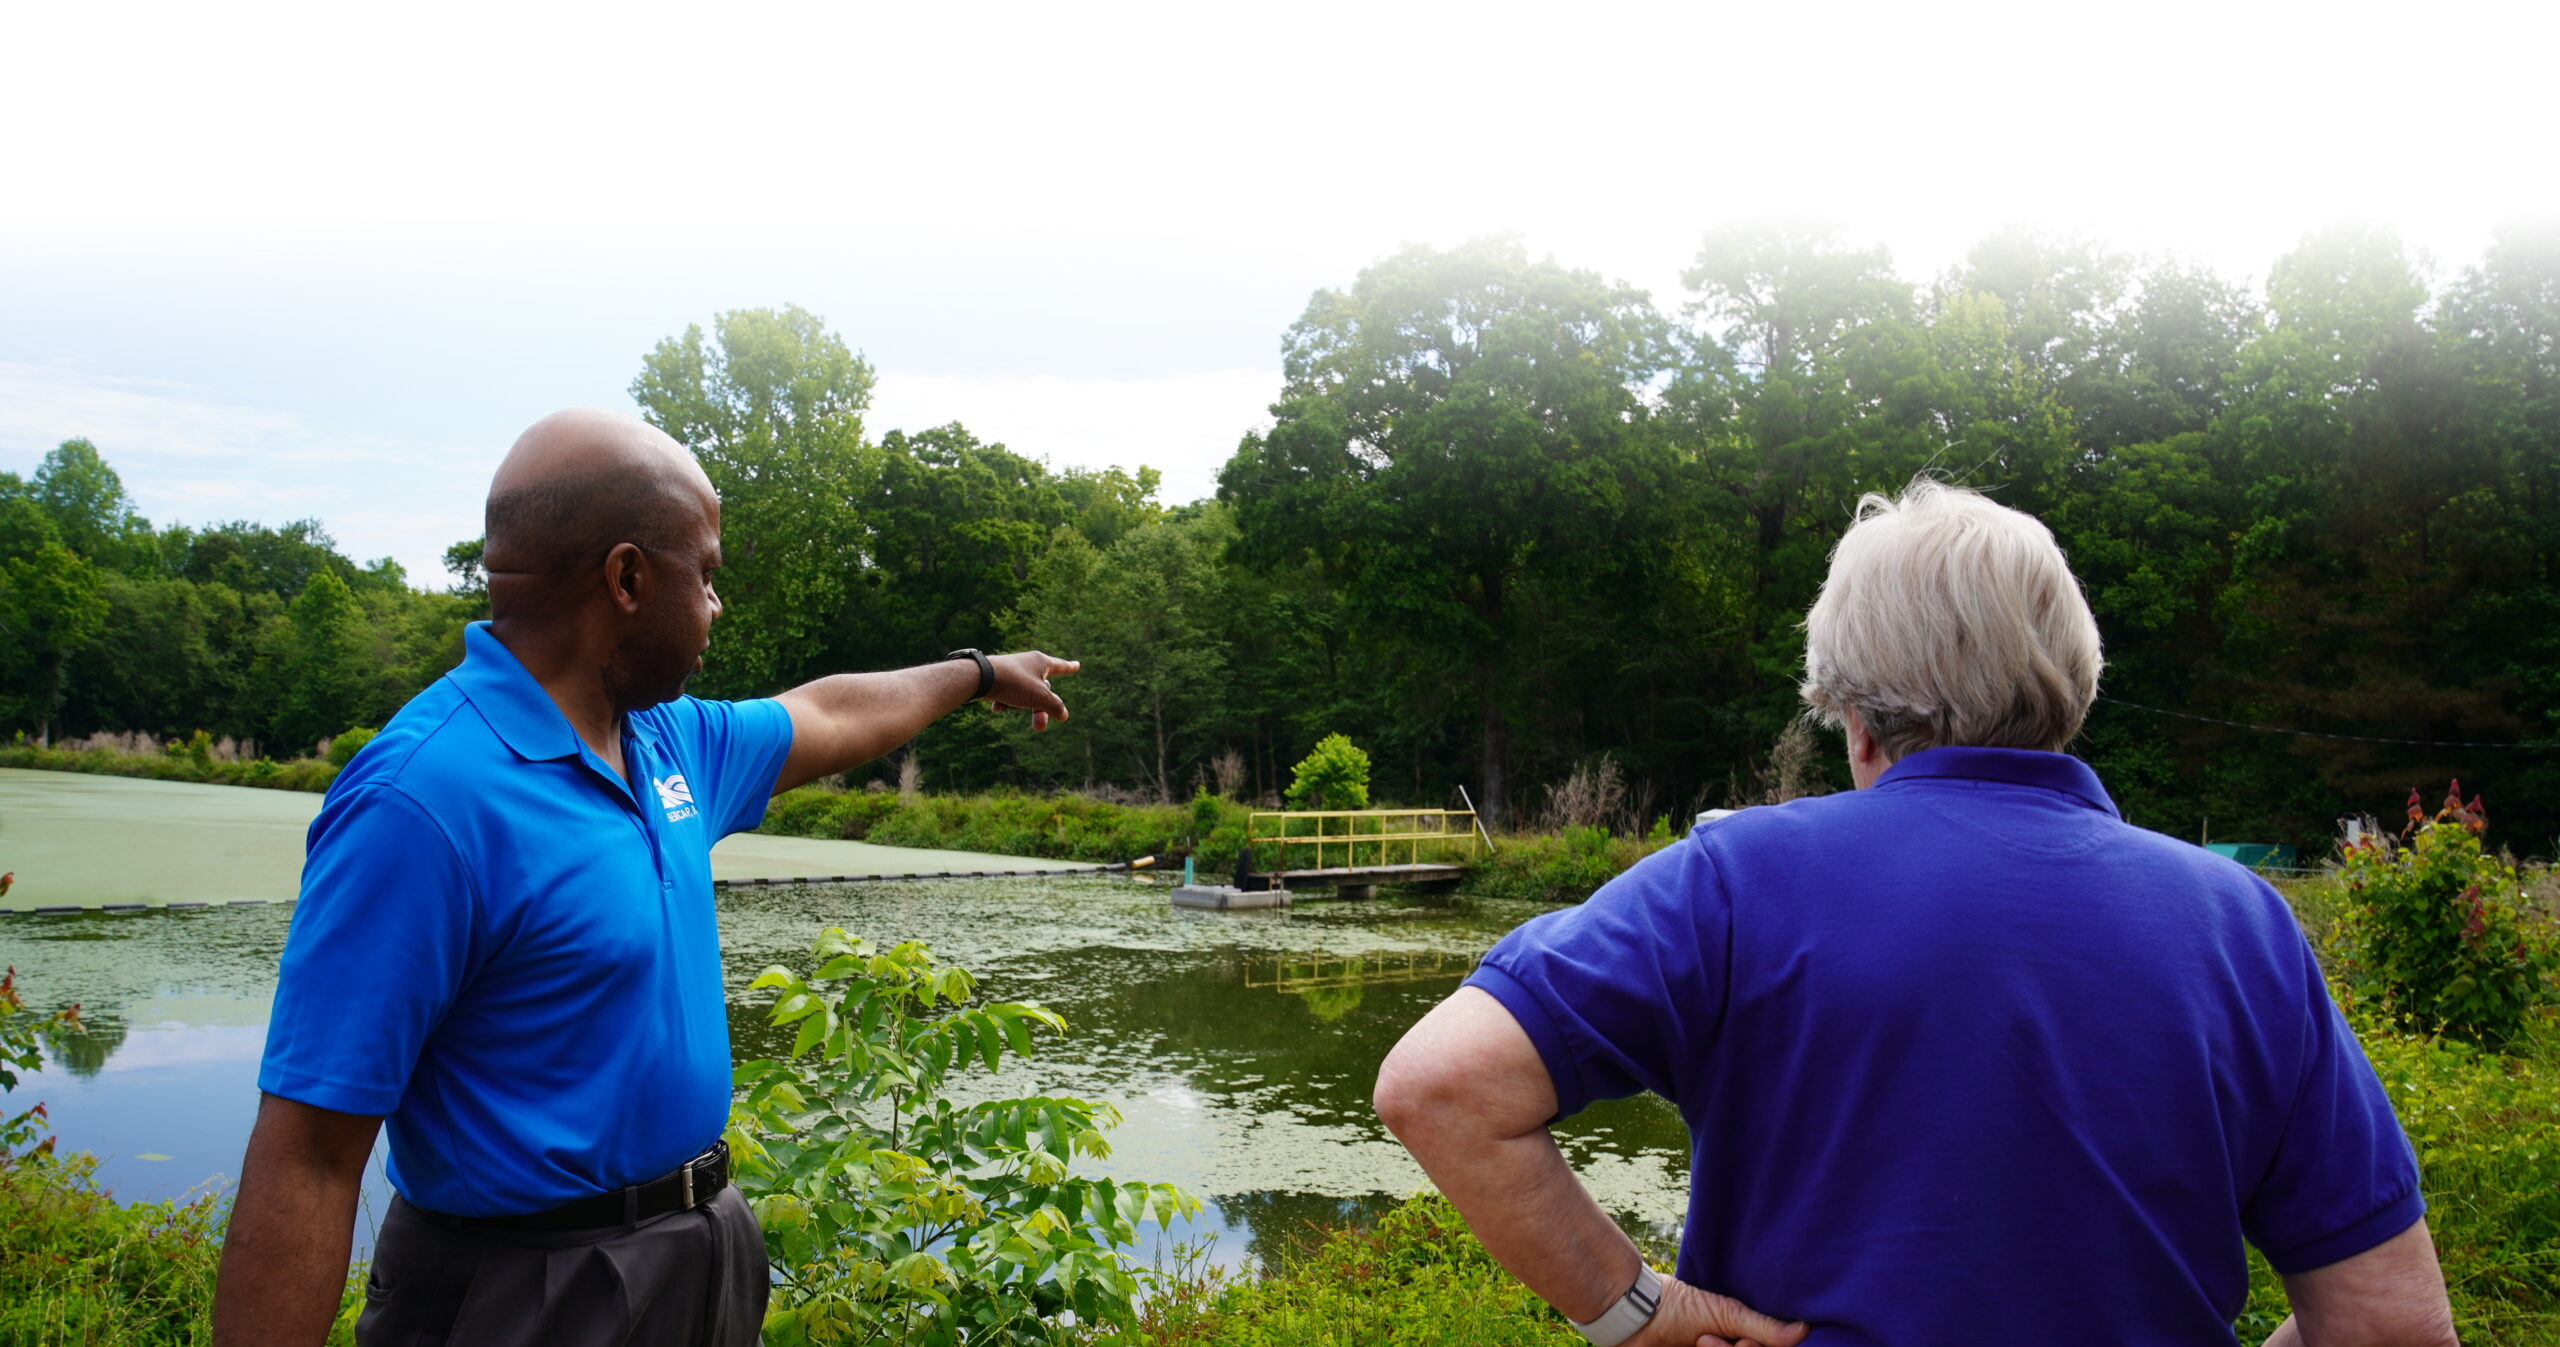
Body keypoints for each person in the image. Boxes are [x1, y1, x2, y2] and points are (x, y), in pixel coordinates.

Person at [1373, 481, 2456, 1347]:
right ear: (2071, 689)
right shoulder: (2238, 923)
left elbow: (1441, 1087)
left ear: (1851, 719)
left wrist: (1631, 1310)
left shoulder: (1739, 879)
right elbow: (2391, 1324)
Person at [211, 408, 1081, 1347]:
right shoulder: (421, 801)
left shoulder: (664, 742)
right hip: (526, 1291)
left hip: (702, 1258)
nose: (716, 605)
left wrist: (979, 671)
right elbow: (309, 1155)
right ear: (626, 577)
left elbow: (828, 712)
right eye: (704, 574)